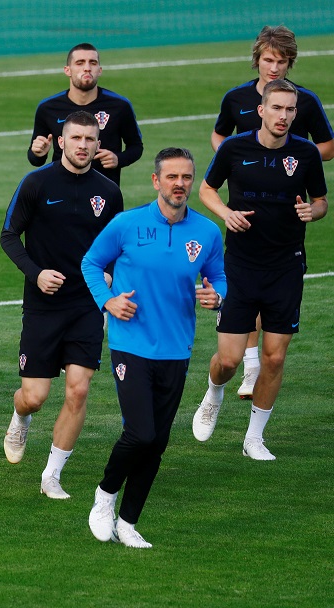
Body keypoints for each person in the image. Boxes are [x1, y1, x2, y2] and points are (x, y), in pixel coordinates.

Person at [83, 147, 226, 549]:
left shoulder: (206, 232)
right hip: (131, 344)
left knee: (158, 442)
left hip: (177, 349)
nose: (179, 184)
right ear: (156, 181)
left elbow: (219, 276)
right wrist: (107, 300)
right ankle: (105, 496)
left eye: (186, 177)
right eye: (172, 177)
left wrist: (219, 296)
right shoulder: (126, 224)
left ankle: (128, 522)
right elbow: (91, 263)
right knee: (141, 433)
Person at [193, 79, 327, 460]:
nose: (283, 116)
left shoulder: (305, 153)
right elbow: (206, 189)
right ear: (262, 111)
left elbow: (321, 201)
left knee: (274, 357)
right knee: (230, 360)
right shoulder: (235, 148)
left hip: (286, 265)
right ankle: (214, 391)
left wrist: (311, 212)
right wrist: (226, 213)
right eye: (277, 108)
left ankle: (254, 437)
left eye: (290, 110)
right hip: (239, 265)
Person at [0, 111, 123, 499]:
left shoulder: (109, 191)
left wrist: (110, 274)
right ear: (60, 141)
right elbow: (9, 236)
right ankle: (20, 416)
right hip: (43, 305)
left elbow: (119, 246)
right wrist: (36, 274)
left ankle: (52, 474)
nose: (83, 146)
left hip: (87, 306)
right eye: (76, 138)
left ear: (98, 144)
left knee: (78, 391)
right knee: (34, 396)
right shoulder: (36, 183)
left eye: (90, 139)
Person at [210, 25, 334, 400]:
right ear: (257, 60)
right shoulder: (236, 98)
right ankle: (248, 367)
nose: (274, 67)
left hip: (284, 214)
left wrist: (292, 158)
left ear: (289, 63)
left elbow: (326, 147)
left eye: (281, 62)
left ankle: (253, 373)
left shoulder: (304, 103)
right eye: (268, 60)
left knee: (268, 299)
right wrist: (234, 157)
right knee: (247, 290)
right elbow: (220, 137)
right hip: (246, 209)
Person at [28, 43, 143, 185]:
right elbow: (34, 160)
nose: (87, 68)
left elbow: (136, 146)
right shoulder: (48, 108)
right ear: (67, 70)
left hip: (103, 196)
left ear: (99, 70)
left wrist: (119, 159)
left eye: (93, 63)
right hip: (59, 190)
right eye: (80, 63)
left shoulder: (120, 106)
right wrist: (38, 153)